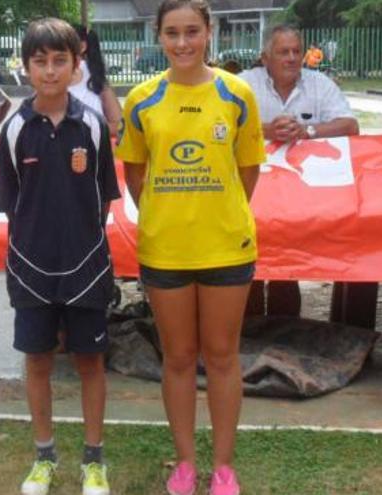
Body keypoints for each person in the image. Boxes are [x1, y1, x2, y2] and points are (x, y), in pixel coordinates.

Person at [116, 1, 265, 493]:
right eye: (172, 33)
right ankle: (184, 462)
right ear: (158, 36)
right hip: (165, 251)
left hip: (227, 248)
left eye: (192, 32)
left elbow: (247, 172)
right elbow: (136, 176)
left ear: (210, 32)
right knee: (178, 358)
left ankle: (224, 467)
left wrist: (216, 213)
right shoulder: (141, 99)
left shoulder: (237, 93)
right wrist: (168, 214)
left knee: (222, 357)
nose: (183, 43)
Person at [0, 18, 119, 495]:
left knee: (90, 362)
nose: (50, 71)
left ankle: (94, 461)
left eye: (60, 61)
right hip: (30, 270)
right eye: (40, 61)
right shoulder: (12, 129)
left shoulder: (91, 124)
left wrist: (80, 244)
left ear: (76, 65)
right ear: (26, 67)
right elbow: (13, 206)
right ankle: (44, 457)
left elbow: (103, 197)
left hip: (87, 268)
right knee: (38, 363)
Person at [238, 24, 359, 318]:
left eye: (296, 51)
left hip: (302, 198)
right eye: (283, 52)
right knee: (249, 265)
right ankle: (250, 337)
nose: (292, 58)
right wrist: (266, 130)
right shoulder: (242, 84)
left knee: (285, 265)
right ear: (266, 58)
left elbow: (351, 126)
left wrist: (307, 131)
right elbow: (219, 125)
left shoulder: (320, 84)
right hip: (252, 192)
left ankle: (284, 335)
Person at [70, 24, 122, 137]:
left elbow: (119, 125)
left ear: (82, 46)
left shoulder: (94, 77)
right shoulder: (46, 82)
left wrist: (88, 130)